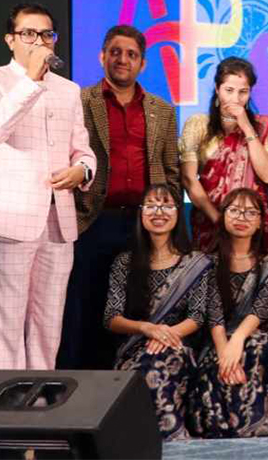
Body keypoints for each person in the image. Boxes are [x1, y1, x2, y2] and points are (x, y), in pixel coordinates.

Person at [0, 2, 96, 370]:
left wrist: (82, 170)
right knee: (7, 318)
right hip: (12, 218)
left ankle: (43, 392)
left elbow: (83, 148)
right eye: (28, 34)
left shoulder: (69, 90)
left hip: (58, 218)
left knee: (49, 319)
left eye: (46, 34)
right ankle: (9, 397)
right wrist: (30, 79)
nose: (39, 41)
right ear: (10, 39)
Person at [58, 24, 181, 370]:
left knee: (135, 307)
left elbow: (170, 171)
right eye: (115, 52)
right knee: (85, 306)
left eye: (131, 54)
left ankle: (129, 381)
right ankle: (78, 385)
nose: (122, 59)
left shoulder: (162, 110)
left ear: (143, 63)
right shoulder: (80, 101)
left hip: (144, 224)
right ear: (102, 57)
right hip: (93, 220)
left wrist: (165, 218)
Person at [189, 188, 268, 438]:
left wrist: (237, 341)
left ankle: (256, 421)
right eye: (235, 211)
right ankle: (224, 422)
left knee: (255, 349)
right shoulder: (208, 262)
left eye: (251, 212)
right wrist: (224, 351)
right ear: (223, 216)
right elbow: (214, 313)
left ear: (261, 222)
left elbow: (261, 310)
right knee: (217, 364)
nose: (242, 217)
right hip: (218, 339)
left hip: (259, 336)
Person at [103, 184, 211, 440]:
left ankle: (170, 442)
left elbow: (197, 316)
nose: (158, 212)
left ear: (178, 213)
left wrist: (166, 336)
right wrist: (147, 328)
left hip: (178, 346)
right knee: (140, 374)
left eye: (166, 206)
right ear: (140, 213)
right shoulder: (125, 262)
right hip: (135, 348)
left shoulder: (195, 262)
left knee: (156, 370)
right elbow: (111, 318)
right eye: (151, 205)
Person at [180, 56, 268, 253]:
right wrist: (219, 220)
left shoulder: (263, 127)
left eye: (243, 92)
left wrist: (246, 127)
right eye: (229, 90)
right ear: (217, 89)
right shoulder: (198, 125)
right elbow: (189, 179)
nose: (236, 99)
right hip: (210, 222)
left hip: (253, 226)